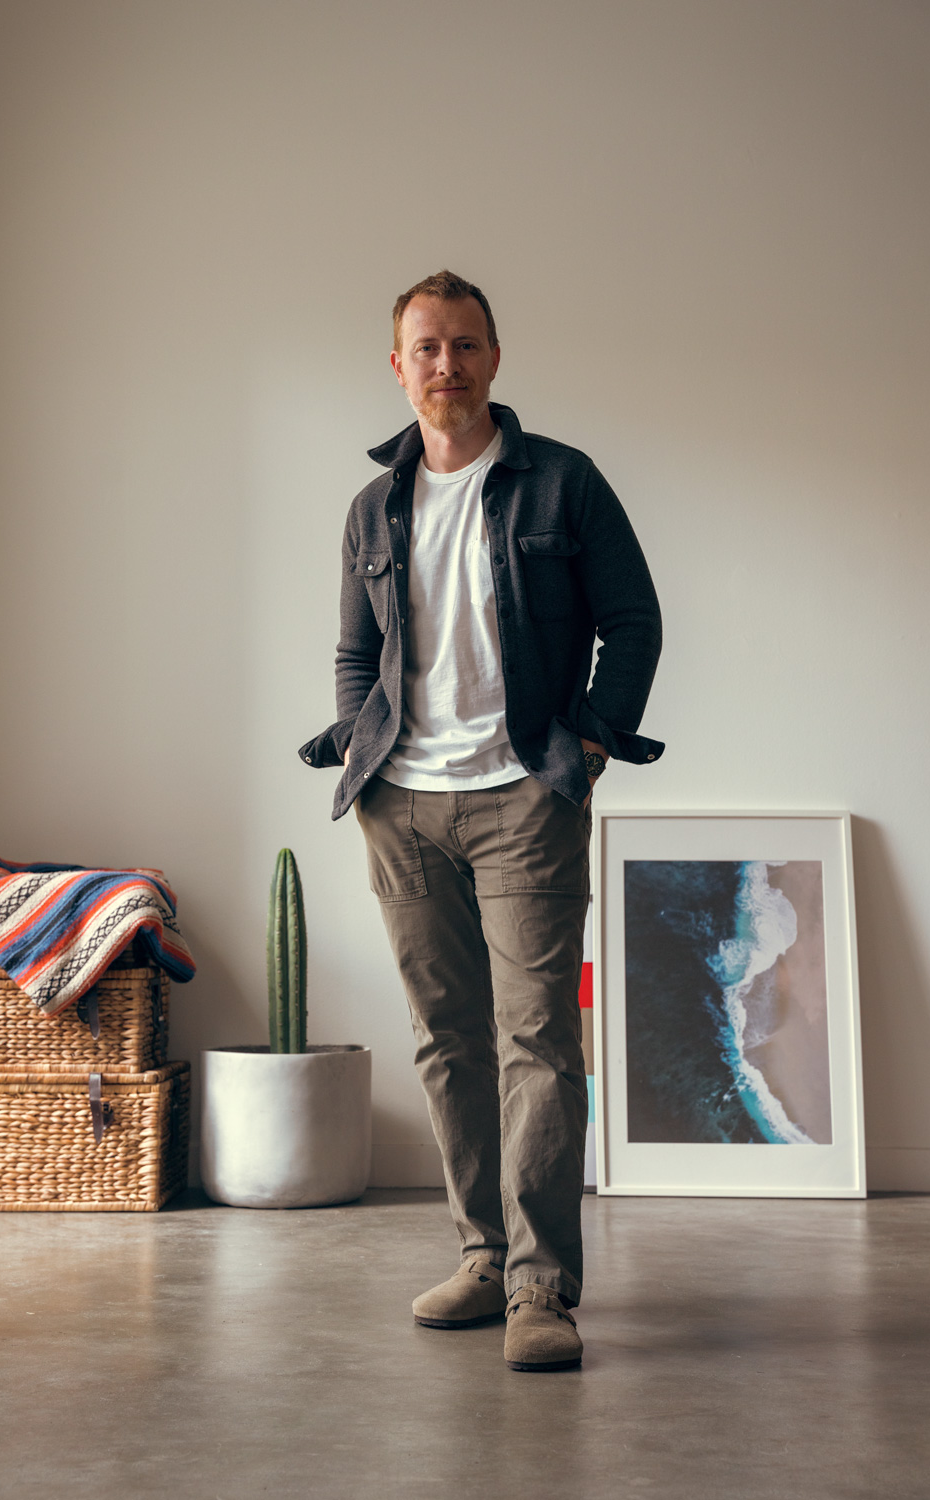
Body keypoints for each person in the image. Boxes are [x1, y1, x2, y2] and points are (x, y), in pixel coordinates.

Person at [299, 269, 663, 1372]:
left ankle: (543, 1289)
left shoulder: (562, 484)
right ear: (398, 366)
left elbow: (634, 623)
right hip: (400, 804)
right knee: (447, 1039)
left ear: (494, 359)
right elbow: (357, 651)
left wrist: (589, 743)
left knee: (538, 1042)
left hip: (523, 798)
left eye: (465, 345)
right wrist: (364, 741)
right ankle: (483, 1256)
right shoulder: (375, 507)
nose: (445, 365)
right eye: (426, 348)